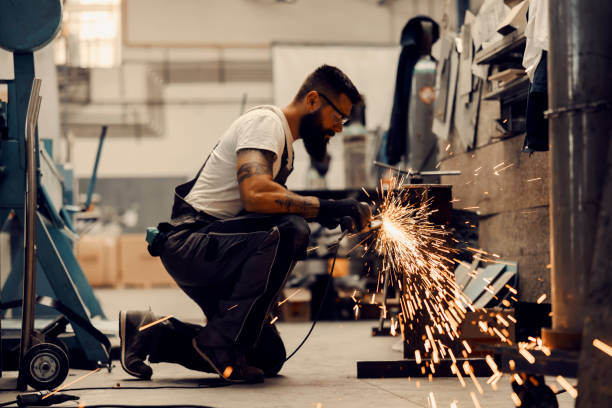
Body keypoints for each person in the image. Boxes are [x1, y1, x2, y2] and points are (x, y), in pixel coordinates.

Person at [119, 65, 372, 384]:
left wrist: (326, 210)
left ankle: (148, 332)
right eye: (338, 118)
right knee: (291, 230)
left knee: (266, 356)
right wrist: (327, 207)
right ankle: (220, 343)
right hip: (195, 245)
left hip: (219, 249)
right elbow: (255, 194)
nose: (337, 129)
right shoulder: (266, 124)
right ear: (312, 100)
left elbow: (268, 204)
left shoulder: (284, 150)